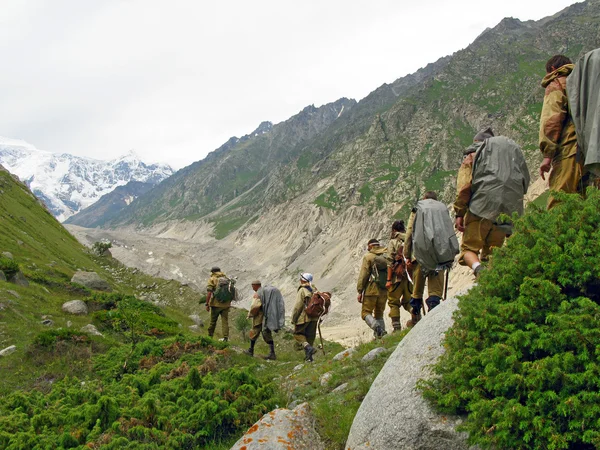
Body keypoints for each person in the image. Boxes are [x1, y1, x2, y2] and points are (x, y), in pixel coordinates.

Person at [454, 128, 528, 277]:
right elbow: (524, 184)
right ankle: (490, 282)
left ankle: (478, 269)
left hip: (480, 209)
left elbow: (464, 186)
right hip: (505, 213)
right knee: (493, 253)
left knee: (469, 249)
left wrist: (459, 213)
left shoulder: (472, 155)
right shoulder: (510, 157)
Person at [539, 55, 580, 209]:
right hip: (592, 150)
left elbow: (552, 121)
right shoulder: (584, 80)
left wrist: (547, 156)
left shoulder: (557, 82)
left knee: (560, 201)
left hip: (569, 150)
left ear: (552, 69)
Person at [404, 192, 446, 323]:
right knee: (435, 292)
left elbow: (409, 233)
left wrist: (407, 256)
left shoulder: (417, 210)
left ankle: (416, 318)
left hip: (420, 256)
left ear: (424, 199)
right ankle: (433, 321)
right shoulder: (442, 210)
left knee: (417, 291)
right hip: (438, 256)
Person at [357, 239, 389, 338]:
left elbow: (364, 274)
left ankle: (377, 328)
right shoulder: (386, 255)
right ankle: (381, 337)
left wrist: (360, 290)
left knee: (365, 312)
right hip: (384, 289)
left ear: (370, 246)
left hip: (371, 289)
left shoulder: (368, 257)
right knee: (379, 313)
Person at [245, 280, 285, 360]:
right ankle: (272, 353)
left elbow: (255, 306)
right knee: (267, 333)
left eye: (252, 286)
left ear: (255, 285)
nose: (252, 287)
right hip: (267, 317)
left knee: (254, 332)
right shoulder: (265, 291)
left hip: (259, 317)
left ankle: (251, 350)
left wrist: (251, 314)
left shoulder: (258, 293)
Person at [385, 220, 413, 332]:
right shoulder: (410, 239)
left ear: (394, 230)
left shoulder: (393, 242)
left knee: (393, 302)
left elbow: (389, 261)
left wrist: (388, 279)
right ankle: (415, 316)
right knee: (408, 300)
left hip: (397, 277)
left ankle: (396, 328)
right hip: (410, 276)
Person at [291, 273, 319, 362]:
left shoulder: (302, 290)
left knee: (297, 334)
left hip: (304, 317)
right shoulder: (314, 290)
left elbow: (298, 306)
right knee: (310, 336)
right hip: (314, 317)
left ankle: (308, 348)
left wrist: (294, 318)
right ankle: (309, 358)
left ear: (303, 280)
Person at [205, 266, 231, 342]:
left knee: (213, 321)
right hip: (226, 304)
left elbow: (209, 292)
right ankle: (226, 338)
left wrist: (207, 304)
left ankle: (210, 337)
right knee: (225, 321)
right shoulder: (226, 279)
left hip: (215, 304)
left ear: (213, 272)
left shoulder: (212, 279)